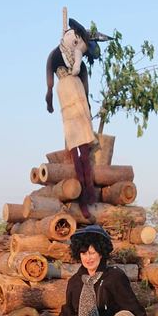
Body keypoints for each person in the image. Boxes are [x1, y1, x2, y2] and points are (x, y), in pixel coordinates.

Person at [45, 16, 110, 218]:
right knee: (79, 150)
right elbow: (50, 84)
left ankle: (87, 195)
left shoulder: (70, 58)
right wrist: (49, 99)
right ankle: (84, 196)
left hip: (75, 97)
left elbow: (52, 86)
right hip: (71, 97)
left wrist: (50, 101)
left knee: (80, 150)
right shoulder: (60, 55)